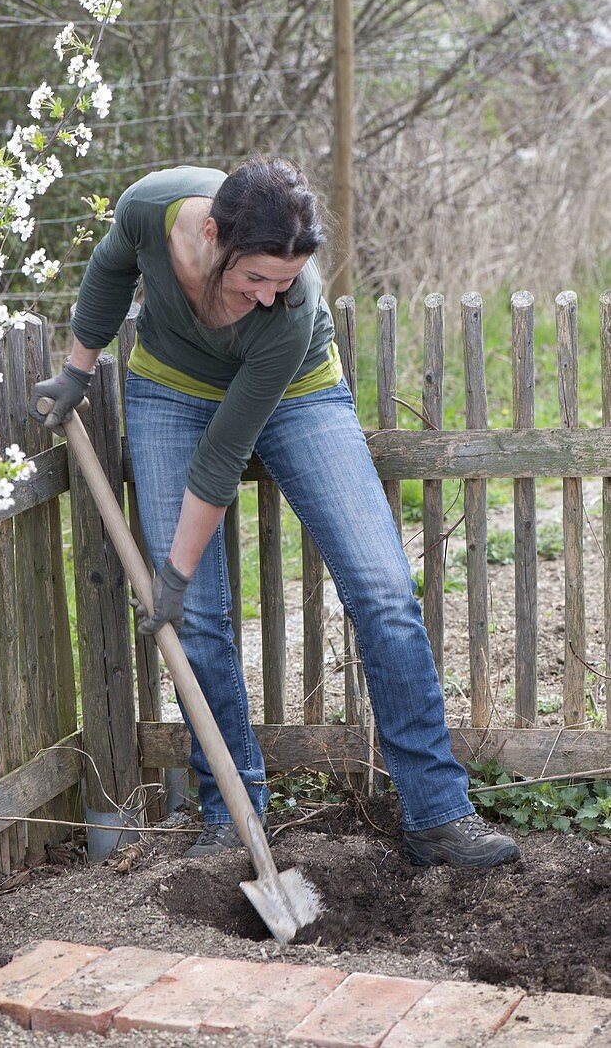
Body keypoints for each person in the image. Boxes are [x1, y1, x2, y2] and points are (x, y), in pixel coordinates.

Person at [30, 156, 520, 867]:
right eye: (253, 276)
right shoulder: (149, 208)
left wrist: (173, 569)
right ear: (211, 233)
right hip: (169, 390)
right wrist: (77, 369)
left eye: (283, 282)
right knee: (194, 613)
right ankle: (232, 817)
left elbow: (223, 458)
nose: (266, 295)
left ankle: (437, 815)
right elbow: (110, 272)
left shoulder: (289, 312)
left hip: (297, 392)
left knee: (384, 591)